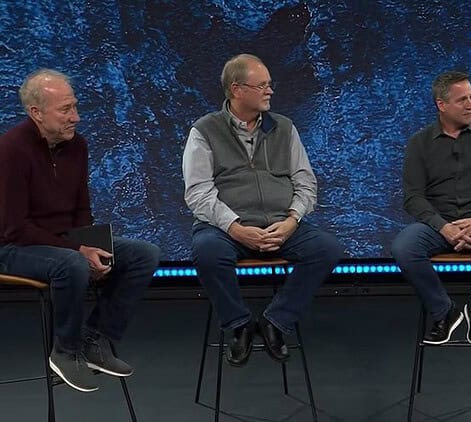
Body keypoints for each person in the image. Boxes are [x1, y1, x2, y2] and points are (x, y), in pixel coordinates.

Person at [0, 69, 161, 392]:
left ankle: (94, 338)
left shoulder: (77, 146)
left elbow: (81, 208)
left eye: (75, 107)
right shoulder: (10, 150)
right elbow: (15, 228)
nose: (76, 117)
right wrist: (79, 252)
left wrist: (91, 245)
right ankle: (65, 350)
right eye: (65, 110)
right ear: (36, 113)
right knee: (71, 264)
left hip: (63, 243)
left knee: (145, 254)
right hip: (14, 247)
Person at [183, 54, 343, 366]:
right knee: (206, 253)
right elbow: (198, 192)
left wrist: (292, 220)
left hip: (281, 224)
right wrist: (235, 227)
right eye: (262, 86)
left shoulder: (284, 127)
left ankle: (277, 321)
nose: (270, 91)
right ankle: (238, 324)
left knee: (327, 249)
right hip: (226, 228)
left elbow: (305, 181)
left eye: (270, 85)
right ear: (237, 89)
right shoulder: (204, 130)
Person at [392, 71, 471, 346]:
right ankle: (443, 311)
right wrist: (443, 227)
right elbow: (412, 196)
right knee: (404, 246)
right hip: (439, 225)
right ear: (442, 105)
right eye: (462, 100)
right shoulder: (420, 143)